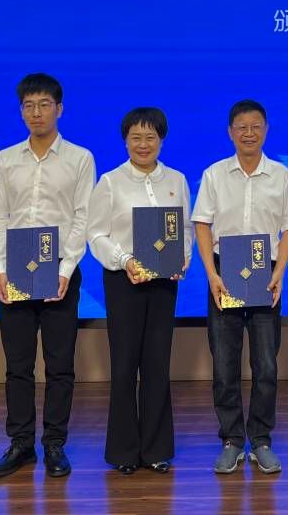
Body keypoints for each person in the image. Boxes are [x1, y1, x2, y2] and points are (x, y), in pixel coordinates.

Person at [0, 73, 95, 480]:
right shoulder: (5, 159)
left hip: (61, 268)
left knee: (59, 363)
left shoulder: (80, 158)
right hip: (16, 266)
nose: (37, 113)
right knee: (17, 364)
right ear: (21, 111)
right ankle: (20, 444)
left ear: (59, 109)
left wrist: (66, 269)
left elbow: (83, 217)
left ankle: (54, 443)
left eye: (44, 105)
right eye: (29, 106)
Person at [192, 99, 288, 475]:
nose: (249, 133)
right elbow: (202, 225)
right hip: (224, 272)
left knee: (266, 364)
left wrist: (280, 272)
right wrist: (211, 274)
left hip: (265, 273)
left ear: (266, 130)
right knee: (224, 364)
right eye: (242, 127)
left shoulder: (282, 176)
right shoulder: (214, 174)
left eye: (256, 126)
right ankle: (231, 439)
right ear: (230, 132)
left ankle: (260, 439)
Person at [88, 106, 193, 475]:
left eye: (150, 137)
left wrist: (183, 258)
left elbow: (186, 230)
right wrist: (124, 259)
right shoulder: (110, 182)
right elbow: (95, 235)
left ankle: (156, 449)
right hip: (124, 281)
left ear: (161, 140)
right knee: (124, 365)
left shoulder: (177, 180)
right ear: (125, 141)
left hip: (163, 282)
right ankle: (124, 451)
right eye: (136, 137)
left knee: (157, 364)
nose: (143, 144)